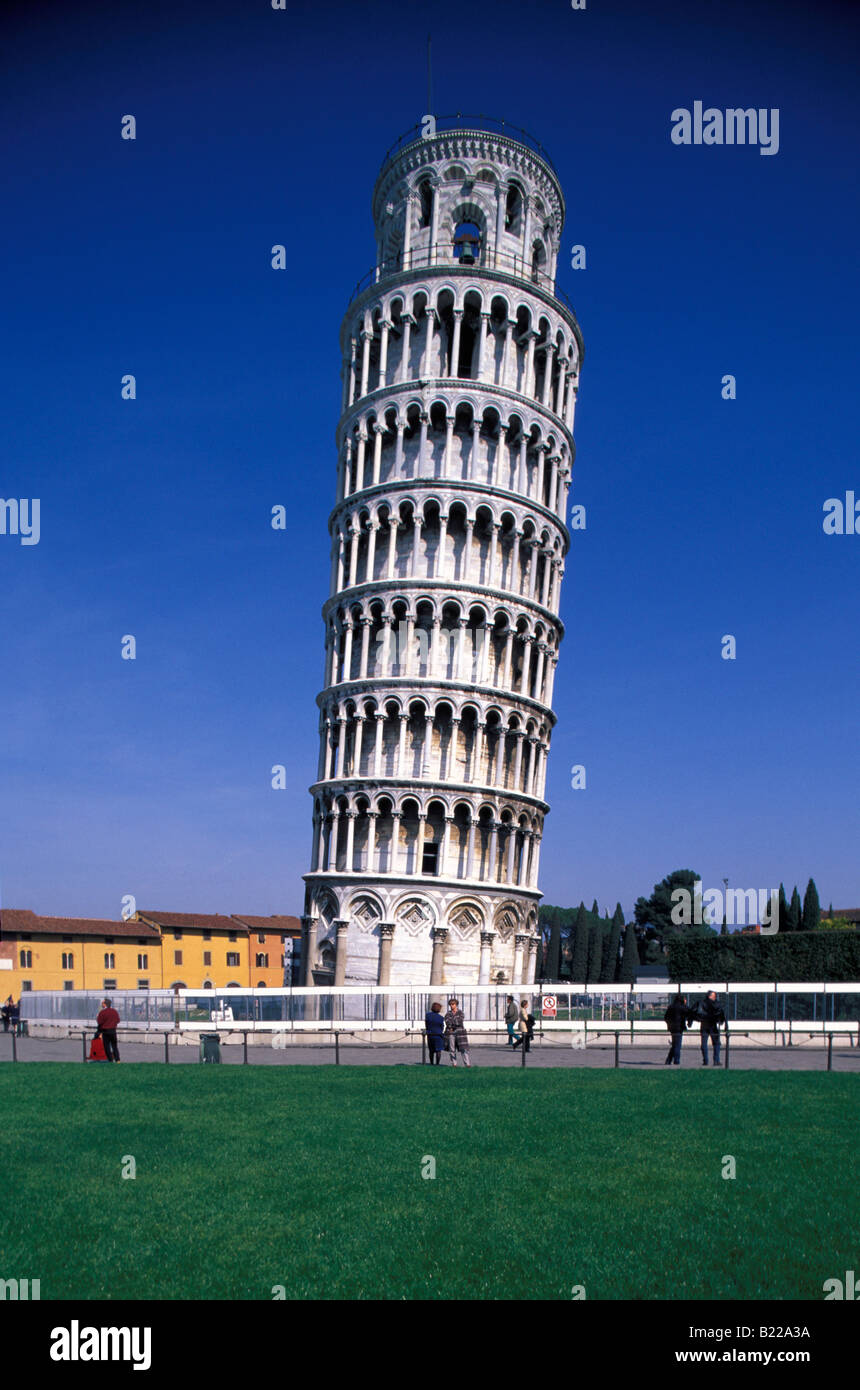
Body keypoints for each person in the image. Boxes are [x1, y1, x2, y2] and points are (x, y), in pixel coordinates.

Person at [697, 990, 726, 1067]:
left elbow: (699, 1013)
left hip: (704, 1025)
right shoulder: (715, 1004)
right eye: (713, 996)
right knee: (716, 1043)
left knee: (704, 1043)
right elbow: (719, 1013)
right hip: (712, 1025)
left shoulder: (702, 1003)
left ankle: (706, 1061)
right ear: (710, 996)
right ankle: (716, 1060)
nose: (715, 997)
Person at [443, 998, 472, 1068]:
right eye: (450, 1004)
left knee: (463, 1049)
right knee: (452, 1049)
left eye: (453, 1004)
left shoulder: (460, 1013)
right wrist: (452, 1024)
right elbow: (447, 1022)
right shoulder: (448, 1014)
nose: (451, 1006)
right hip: (451, 1033)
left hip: (460, 1033)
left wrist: (452, 1025)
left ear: (456, 1005)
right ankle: (454, 1063)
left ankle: (467, 1064)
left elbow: (459, 1021)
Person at [663, 994, 691, 1066]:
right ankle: (676, 1061)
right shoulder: (683, 1007)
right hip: (679, 1027)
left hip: (672, 1028)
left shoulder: (671, 1007)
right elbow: (690, 1013)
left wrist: (669, 1024)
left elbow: (666, 1017)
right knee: (677, 1045)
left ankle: (668, 1060)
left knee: (675, 1044)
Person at [96, 997, 121, 1063]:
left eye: (102, 1003)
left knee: (106, 1047)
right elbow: (118, 1020)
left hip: (105, 1031)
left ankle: (110, 1060)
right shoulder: (114, 1011)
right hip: (113, 1031)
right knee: (114, 1046)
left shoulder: (102, 1012)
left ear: (105, 1004)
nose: (101, 1004)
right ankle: (118, 1059)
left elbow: (99, 1022)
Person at [425, 1000, 445, 1065]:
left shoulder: (427, 1015)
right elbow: (442, 1027)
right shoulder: (441, 1018)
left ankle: (431, 1063)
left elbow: (427, 1025)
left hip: (430, 1034)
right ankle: (437, 1064)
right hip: (438, 1035)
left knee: (431, 1051)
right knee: (438, 1051)